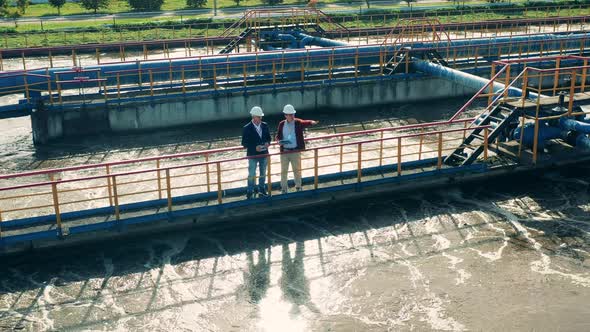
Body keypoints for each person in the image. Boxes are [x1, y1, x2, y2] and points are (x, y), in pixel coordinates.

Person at [275, 104, 318, 194]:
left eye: (293, 114)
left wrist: (311, 122)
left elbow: (304, 122)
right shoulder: (281, 124)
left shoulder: (298, 122)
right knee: (283, 171)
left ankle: (298, 186)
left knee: (297, 170)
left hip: (295, 150)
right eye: (290, 114)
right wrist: (278, 141)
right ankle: (284, 188)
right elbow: (278, 136)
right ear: (285, 115)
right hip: (285, 151)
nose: (292, 116)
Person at [242, 106, 271, 199]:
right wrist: (255, 147)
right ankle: (250, 190)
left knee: (263, 172)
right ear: (253, 117)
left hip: (264, 153)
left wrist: (267, 143)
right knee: (251, 173)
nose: (258, 119)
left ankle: (261, 189)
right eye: (257, 117)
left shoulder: (265, 125)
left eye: (259, 117)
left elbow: (269, 138)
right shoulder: (246, 128)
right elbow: (244, 143)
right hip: (252, 155)